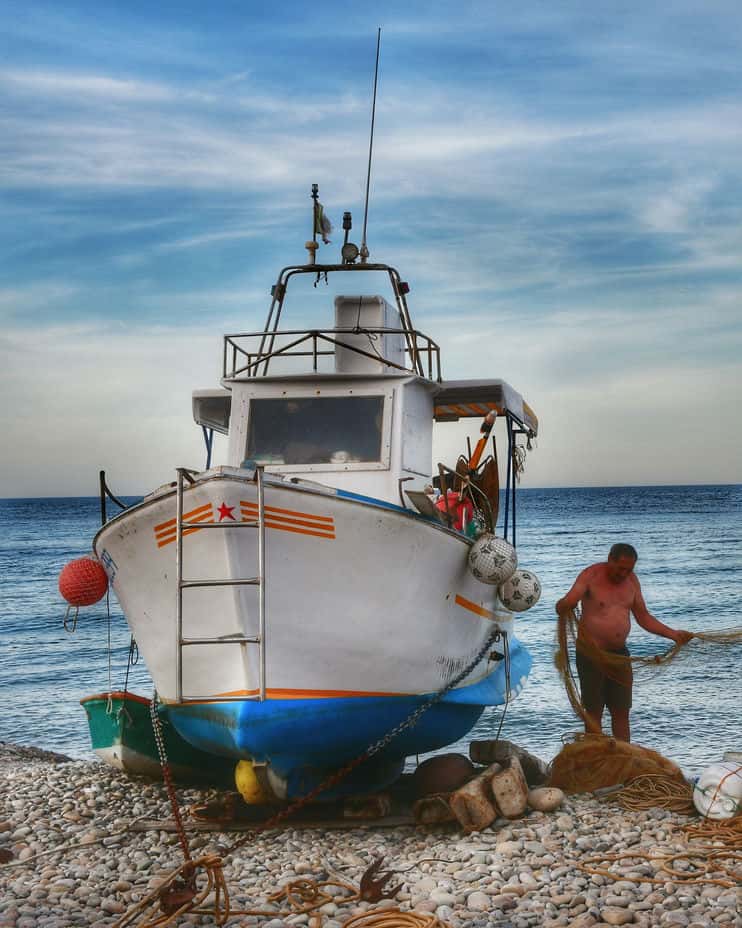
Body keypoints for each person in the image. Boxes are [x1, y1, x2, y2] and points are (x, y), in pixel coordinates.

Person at [555, 543, 693, 743]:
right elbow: (567, 602)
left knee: (621, 711)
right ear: (610, 559)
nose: (624, 573)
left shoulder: (632, 582)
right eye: (621, 568)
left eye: (629, 569)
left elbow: (643, 617)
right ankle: (597, 756)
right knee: (593, 711)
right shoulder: (590, 575)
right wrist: (564, 605)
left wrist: (673, 634)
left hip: (619, 654)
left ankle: (623, 757)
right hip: (591, 654)